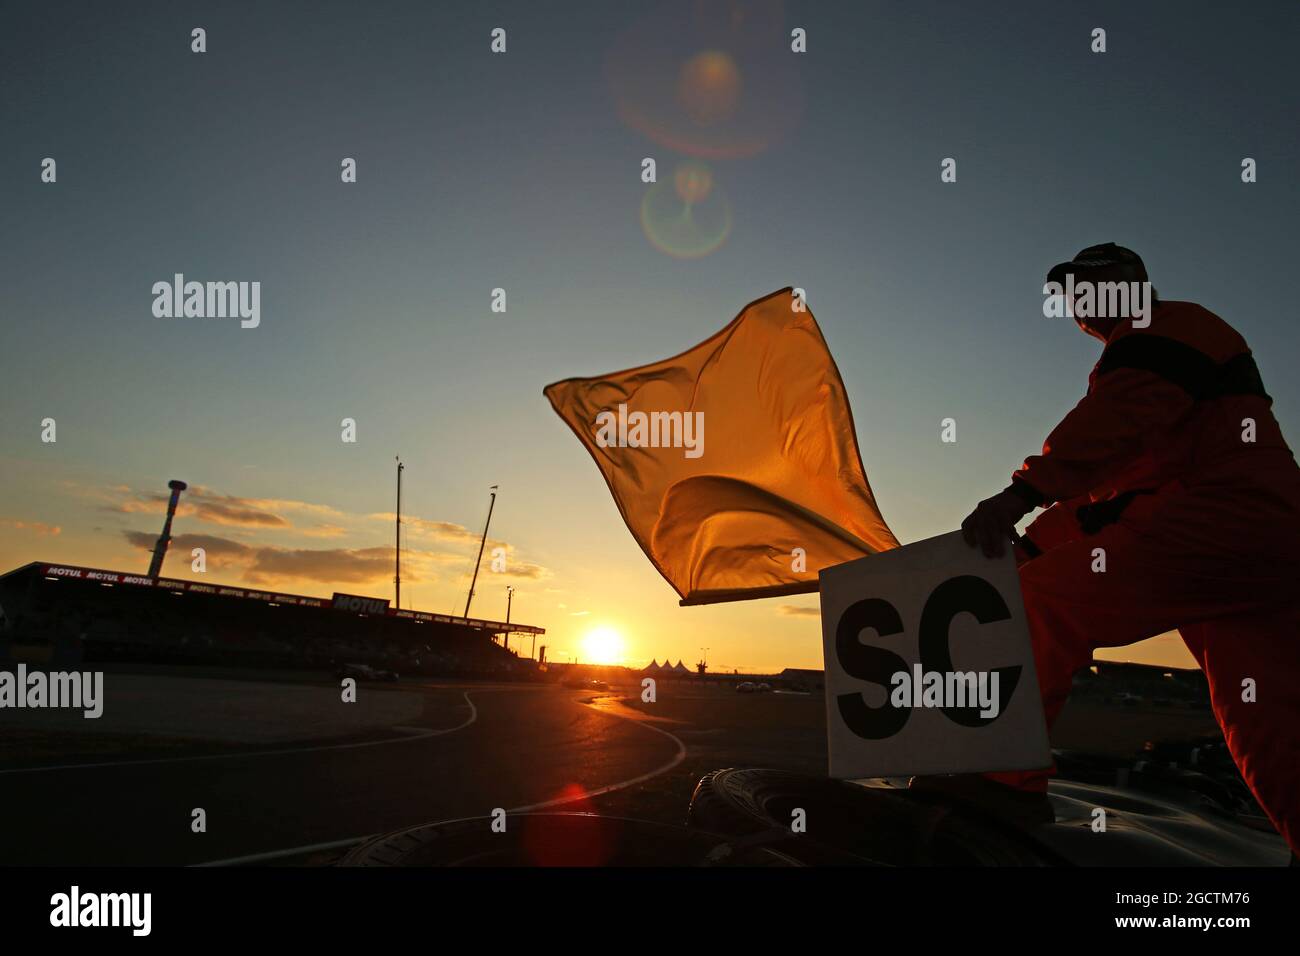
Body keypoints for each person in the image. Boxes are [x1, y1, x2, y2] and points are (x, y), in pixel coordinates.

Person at [960, 243, 1300, 855]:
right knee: (1268, 720)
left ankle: (998, 784)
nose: (1077, 303)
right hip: (1257, 540)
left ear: (1133, 286)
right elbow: (1113, 495)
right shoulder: (1165, 370)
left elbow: (1113, 424)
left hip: (1222, 521)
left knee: (1036, 605)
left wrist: (1018, 499)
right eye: (1071, 293)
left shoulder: (1163, 333)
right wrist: (1033, 544)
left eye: (1091, 286)